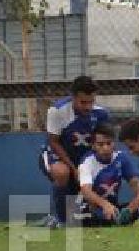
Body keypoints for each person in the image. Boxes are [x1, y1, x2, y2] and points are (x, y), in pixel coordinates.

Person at [37, 75, 109, 228]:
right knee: (62, 173)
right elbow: (54, 142)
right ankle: (61, 220)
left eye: (91, 102)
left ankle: (93, 214)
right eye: (83, 102)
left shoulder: (101, 114)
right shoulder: (57, 111)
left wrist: (88, 166)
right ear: (73, 97)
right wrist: (73, 168)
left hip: (83, 157)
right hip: (57, 154)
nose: (88, 107)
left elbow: (102, 143)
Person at [78, 123, 139, 226]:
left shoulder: (121, 158)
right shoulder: (87, 163)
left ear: (114, 143)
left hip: (113, 206)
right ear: (93, 146)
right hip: (91, 207)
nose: (105, 148)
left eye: (109, 143)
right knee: (102, 218)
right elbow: (86, 191)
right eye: (100, 144)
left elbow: (137, 186)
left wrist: (131, 208)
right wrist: (105, 204)